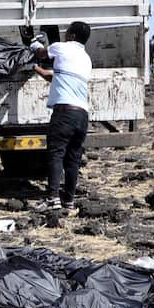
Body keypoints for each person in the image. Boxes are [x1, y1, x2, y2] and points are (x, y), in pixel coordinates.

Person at [30, 21, 93, 212]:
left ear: (72, 36)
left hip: (64, 112)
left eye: (67, 33)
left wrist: (34, 44)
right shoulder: (86, 58)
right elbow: (56, 77)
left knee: (56, 154)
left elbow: (42, 53)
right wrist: (36, 69)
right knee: (73, 158)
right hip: (82, 114)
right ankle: (68, 201)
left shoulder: (61, 47)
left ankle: (51, 199)